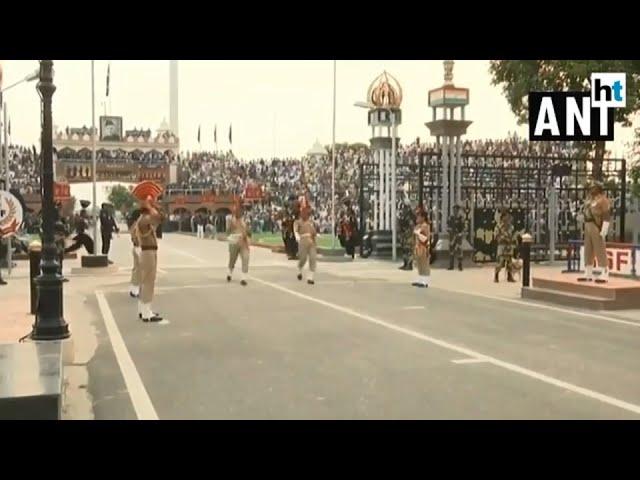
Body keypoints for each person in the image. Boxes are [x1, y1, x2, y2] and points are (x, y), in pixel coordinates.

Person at [135, 197, 164, 322]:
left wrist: (152, 206)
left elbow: (160, 218)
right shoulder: (144, 220)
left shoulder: (144, 219)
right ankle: (147, 313)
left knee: (145, 281)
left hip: (148, 251)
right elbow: (157, 217)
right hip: (148, 252)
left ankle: (143, 309)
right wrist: (151, 206)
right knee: (149, 282)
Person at [578, 183, 611, 283]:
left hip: (596, 226)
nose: (591, 190)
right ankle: (588, 271)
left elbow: (606, 215)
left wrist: (604, 229)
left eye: (593, 188)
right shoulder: (590, 200)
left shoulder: (603, 201)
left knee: (599, 248)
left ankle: (604, 271)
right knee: (588, 249)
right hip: (587, 225)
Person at [226, 202, 251, 286]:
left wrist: (247, 228)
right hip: (234, 242)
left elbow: (249, 232)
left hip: (244, 242)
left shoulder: (245, 221)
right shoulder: (231, 220)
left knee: (245, 258)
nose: (239, 213)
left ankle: (243, 278)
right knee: (232, 259)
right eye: (237, 211)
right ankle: (229, 273)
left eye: (240, 211)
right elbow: (227, 232)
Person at [295, 205, 317, 285]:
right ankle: (299, 270)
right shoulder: (298, 222)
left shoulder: (311, 222)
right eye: (304, 213)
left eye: (307, 214)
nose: (306, 215)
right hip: (303, 241)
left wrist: (316, 236)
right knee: (303, 258)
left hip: (311, 242)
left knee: (312, 259)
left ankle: (310, 278)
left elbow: (314, 231)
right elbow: (296, 230)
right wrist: (297, 236)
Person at [494, 210, 517, 283]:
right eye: (505, 217)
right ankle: (496, 276)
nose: (507, 219)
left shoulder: (511, 226)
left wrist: (512, 241)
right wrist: (503, 238)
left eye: (508, 217)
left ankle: (509, 276)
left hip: (509, 246)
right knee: (500, 262)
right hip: (502, 245)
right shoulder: (498, 226)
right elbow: (496, 236)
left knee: (509, 262)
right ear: (502, 217)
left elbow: (512, 235)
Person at [412, 209, 430, 288]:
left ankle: (425, 281)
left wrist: (418, 233)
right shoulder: (418, 226)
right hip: (418, 247)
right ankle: (420, 280)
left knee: (424, 265)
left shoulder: (425, 226)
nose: (417, 218)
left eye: (419, 216)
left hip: (423, 247)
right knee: (419, 264)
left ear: (423, 218)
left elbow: (425, 238)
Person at [127, 209, 142, 298]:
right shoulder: (138, 225)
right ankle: (136, 290)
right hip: (139, 248)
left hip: (136, 247)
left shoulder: (133, 225)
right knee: (139, 270)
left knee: (136, 269)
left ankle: (134, 289)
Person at [448, 204, 466, 271]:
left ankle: (460, 265)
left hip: (458, 236)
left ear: (458, 210)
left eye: (456, 210)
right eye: (454, 210)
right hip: (452, 236)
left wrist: (461, 234)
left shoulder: (461, 218)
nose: (455, 211)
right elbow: (448, 226)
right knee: (451, 251)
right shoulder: (450, 217)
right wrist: (449, 230)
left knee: (459, 251)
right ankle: (451, 265)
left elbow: (464, 228)